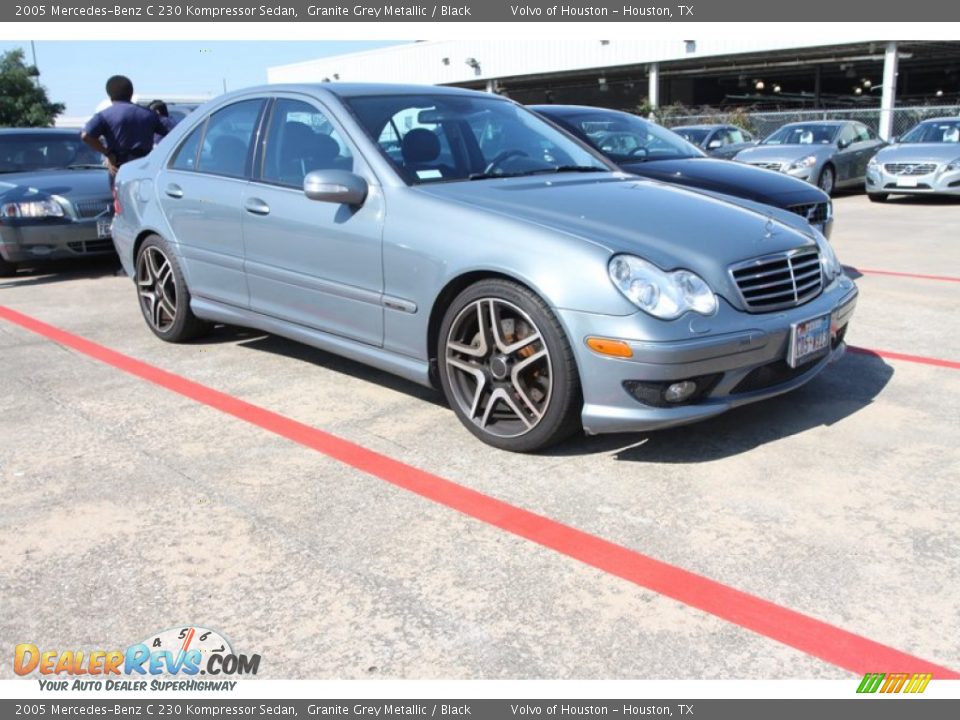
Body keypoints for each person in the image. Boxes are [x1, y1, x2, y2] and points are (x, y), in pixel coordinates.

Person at [81, 75, 169, 184]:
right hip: (144, 166)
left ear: (109, 94)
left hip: (119, 167)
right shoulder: (148, 114)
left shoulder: (104, 115)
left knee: (120, 194)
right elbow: (170, 135)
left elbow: (86, 136)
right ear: (131, 92)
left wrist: (108, 153)